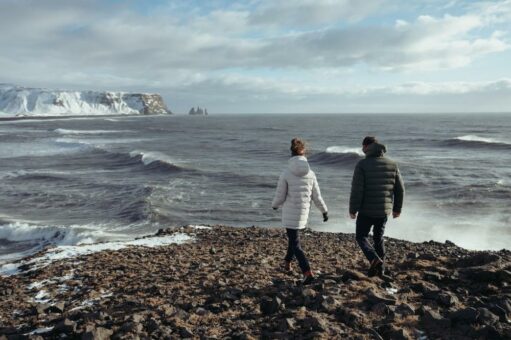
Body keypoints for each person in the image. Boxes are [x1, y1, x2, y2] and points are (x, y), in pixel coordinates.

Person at [272, 138, 328, 284]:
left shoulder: (286, 172)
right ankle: (287, 263)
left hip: (290, 212)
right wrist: (324, 211)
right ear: (304, 155)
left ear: (291, 154)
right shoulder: (311, 173)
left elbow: (280, 195)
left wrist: (275, 205)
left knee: (295, 243)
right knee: (294, 238)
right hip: (303, 213)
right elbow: (317, 196)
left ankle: (307, 272)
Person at [349, 136, 405, 277]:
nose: (362, 149)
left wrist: (353, 209)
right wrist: (397, 208)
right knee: (378, 238)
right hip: (383, 210)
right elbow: (400, 189)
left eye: (363, 146)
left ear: (367, 147)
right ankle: (381, 271)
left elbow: (357, 190)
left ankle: (374, 259)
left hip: (366, 210)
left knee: (361, 236)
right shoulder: (392, 164)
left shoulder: (362, 164)